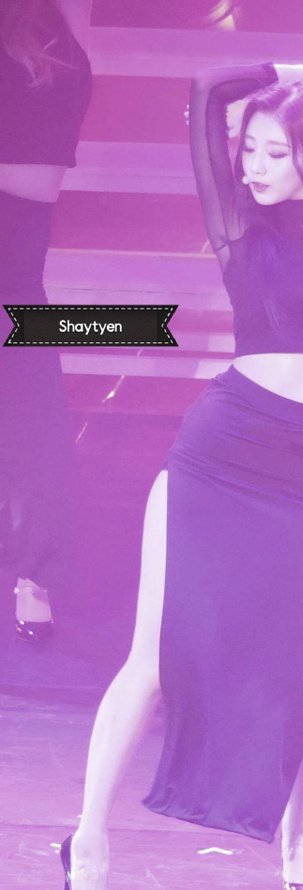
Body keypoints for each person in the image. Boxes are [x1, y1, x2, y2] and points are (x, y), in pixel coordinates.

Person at [60, 46, 303, 890]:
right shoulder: (239, 226)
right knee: (153, 659)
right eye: (249, 151)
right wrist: (279, 82)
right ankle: (88, 841)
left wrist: (301, 88)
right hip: (220, 461)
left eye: (277, 152)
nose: (255, 167)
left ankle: (298, 843)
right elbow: (208, 87)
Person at [0, 0, 92, 641]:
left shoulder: (53, 56)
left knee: (34, 436)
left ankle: (36, 576)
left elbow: (42, 183)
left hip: (9, 276)